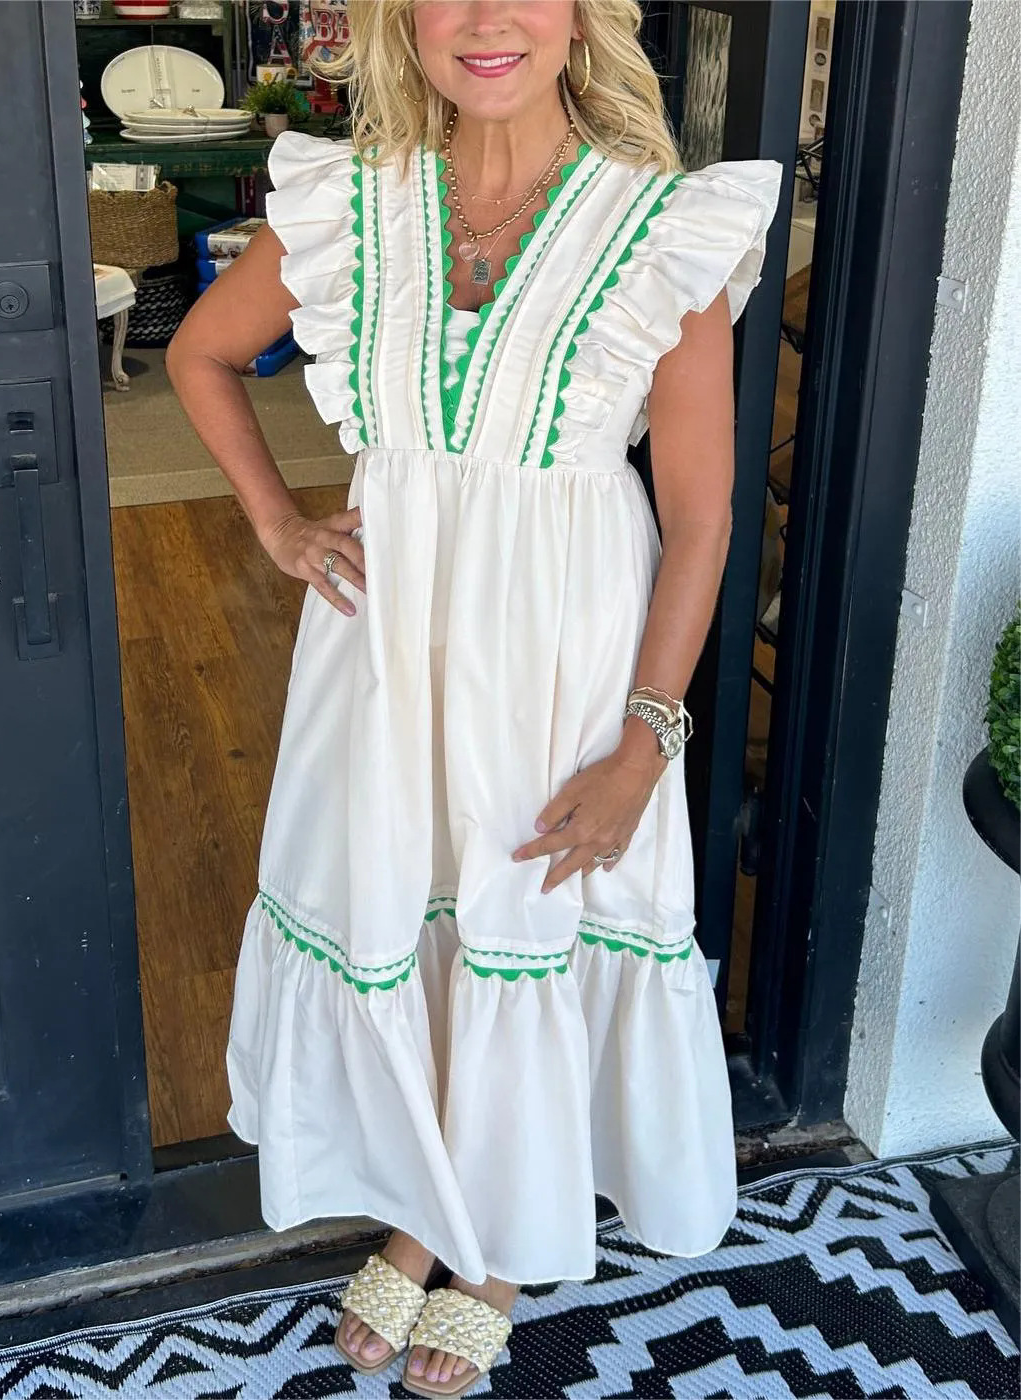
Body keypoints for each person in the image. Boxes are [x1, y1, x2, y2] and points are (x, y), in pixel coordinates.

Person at [165, 2, 781, 1395]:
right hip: (386, 656)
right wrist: (278, 524)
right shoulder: (353, 202)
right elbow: (201, 354)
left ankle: (494, 1247)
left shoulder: (663, 226)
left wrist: (647, 741)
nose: (487, 19)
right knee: (410, 904)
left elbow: (699, 514)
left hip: (565, 661)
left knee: (523, 920)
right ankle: (426, 1208)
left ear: (581, 19)